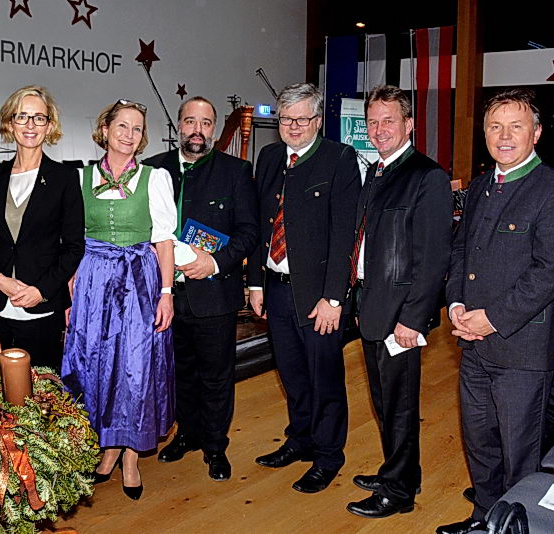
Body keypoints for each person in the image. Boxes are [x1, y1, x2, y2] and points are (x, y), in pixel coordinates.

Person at [438, 88, 554, 534]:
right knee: (480, 442)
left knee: (520, 452)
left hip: (521, 350)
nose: (504, 136)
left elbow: (551, 273)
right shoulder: (481, 187)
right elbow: (460, 251)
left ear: (535, 133)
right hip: (473, 343)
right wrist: (456, 303)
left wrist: (492, 319)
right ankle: (485, 519)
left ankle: (518, 527)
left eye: (515, 126)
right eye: (495, 127)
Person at [60, 99, 177, 500]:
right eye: (122, 126)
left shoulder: (154, 178)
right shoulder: (80, 178)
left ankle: (130, 455)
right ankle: (108, 446)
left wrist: (166, 293)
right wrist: (72, 281)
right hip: (94, 281)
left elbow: (164, 241)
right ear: (105, 129)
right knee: (98, 365)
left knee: (136, 368)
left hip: (139, 280)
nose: (129, 134)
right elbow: (72, 238)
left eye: (137, 128)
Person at [345, 85, 452, 518]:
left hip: (401, 317)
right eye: (372, 122)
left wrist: (414, 319)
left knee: (401, 405)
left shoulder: (427, 176)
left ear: (409, 124)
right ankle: (401, 471)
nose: (379, 129)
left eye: (388, 120)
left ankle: (398, 492)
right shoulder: (376, 171)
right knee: (384, 401)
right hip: (373, 308)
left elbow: (433, 258)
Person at [248, 82, 360, 494]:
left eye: (302, 119)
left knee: (324, 378)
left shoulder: (339, 158)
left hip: (319, 297)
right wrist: (255, 282)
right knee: (291, 373)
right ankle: (300, 440)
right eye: (286, 119)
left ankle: (328, 456)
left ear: (317, 120)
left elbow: (345, 234)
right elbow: (260, 224)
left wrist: (334, 298)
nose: (293, 127)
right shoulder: (269, 157)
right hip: (275, 289)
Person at [143, 97, 258, 481]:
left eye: (205, 123)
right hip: (163, 297)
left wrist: (216, 262)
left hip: (214, 295)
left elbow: (249, 233)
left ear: (213, 129)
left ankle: (215, 446)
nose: (197, 130)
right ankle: (187, 434)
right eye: (190, 121)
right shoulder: (151, 169)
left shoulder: (235, 172)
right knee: (179, 374)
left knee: (216, 376)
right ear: (179, 125)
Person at [0, 85, 84, 369]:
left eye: (39, 118)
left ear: (49, 126)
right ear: (10, 123)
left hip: (42, 308)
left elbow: (73, 248)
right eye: (22, 116)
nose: (31, 125)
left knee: (40, 390)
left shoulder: (65, 178)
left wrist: (41, 290)